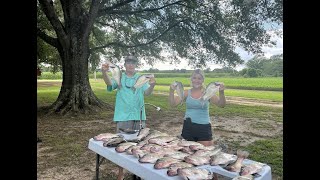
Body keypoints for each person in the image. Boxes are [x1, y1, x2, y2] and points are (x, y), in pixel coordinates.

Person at [101, 55, 156, 180]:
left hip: (139, 116)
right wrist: (104, 73)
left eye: (133, 62)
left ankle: (138, 173)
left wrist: (152, 85)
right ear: (125, 64)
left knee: (139, 145)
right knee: (121, 145)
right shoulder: (120, 76)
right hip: (123, 116)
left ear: (136, 64)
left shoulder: (141, 78)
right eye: (128, 62)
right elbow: (110, 84)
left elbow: (147, 93)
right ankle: (120, 174)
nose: (131, 65)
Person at [169, 69, 226, 147]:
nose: (197, 80)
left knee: (205, 152)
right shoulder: (186, 92)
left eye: (199, 78)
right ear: (191, 79)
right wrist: (171, 91)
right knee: (187, 152)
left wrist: (221, 92)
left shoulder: (208, 92)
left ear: (203, 80)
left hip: (203, 127)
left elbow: (221, 105)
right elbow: (173, 104)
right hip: (188, 126)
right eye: (194, 78)